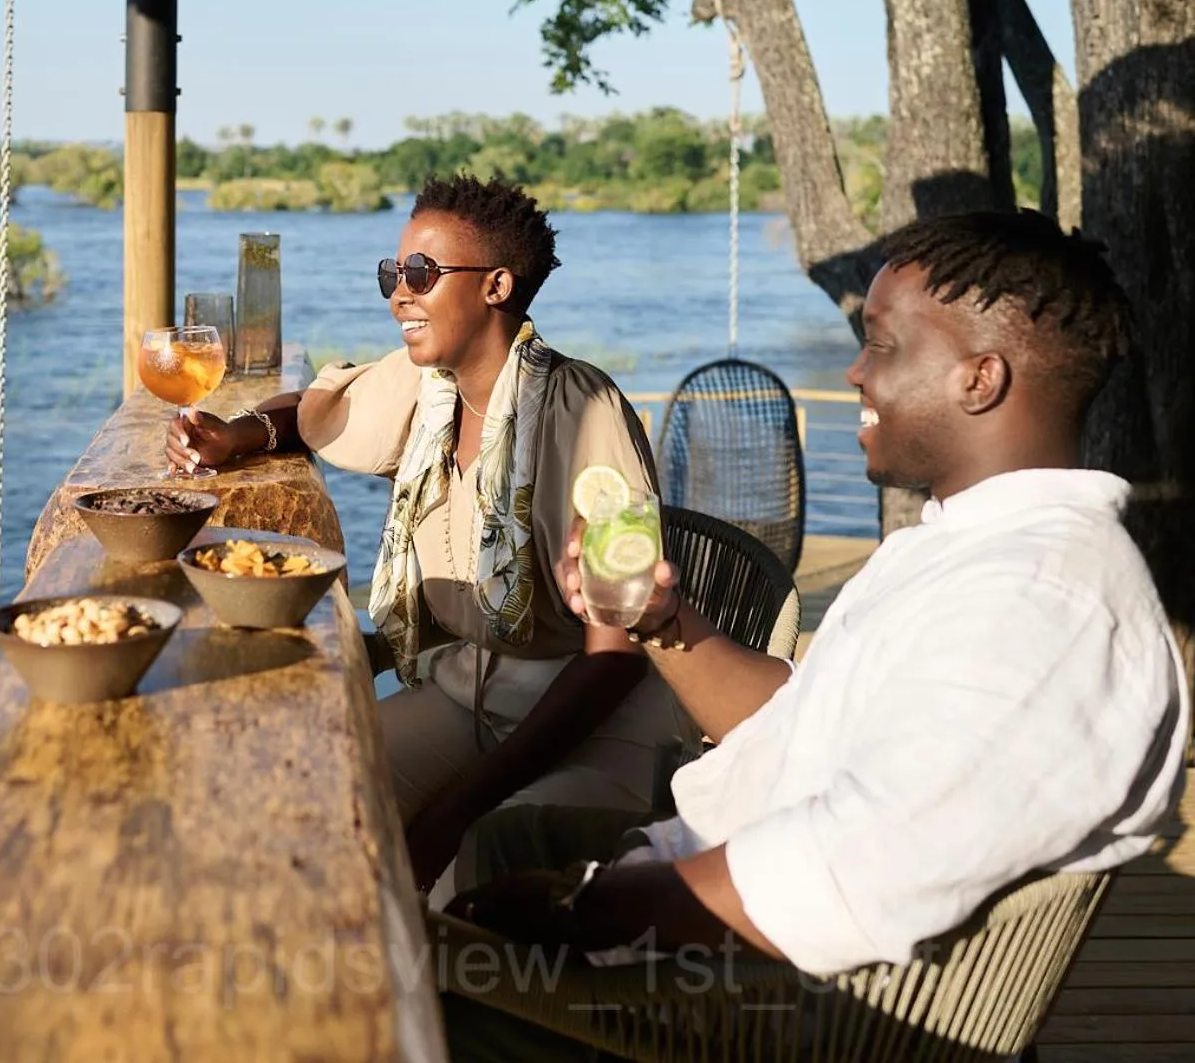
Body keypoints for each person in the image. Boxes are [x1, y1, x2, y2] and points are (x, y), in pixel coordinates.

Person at [438, 209, 1191, 1061]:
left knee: (405, 982)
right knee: (500, 843)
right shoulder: (967, 548)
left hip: (787, 1009)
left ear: (980, 378)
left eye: (883, 346)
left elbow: (856, 863)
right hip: (733, 906)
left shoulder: (1045, 603)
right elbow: (797, 723)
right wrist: (657, 620)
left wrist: (582, 908)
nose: (855, 373)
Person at [168, 175, 687, 897]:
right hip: (463, 694)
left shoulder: (586, 411)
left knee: (463, 861)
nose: (397, 294)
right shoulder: (429, 390)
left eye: (420, 273)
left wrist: (456, 805)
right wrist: (239, 433)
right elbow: (320, 408)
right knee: (298, 796)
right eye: (393, 273)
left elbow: (614, 659)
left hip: (586, 724)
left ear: (497, 285)